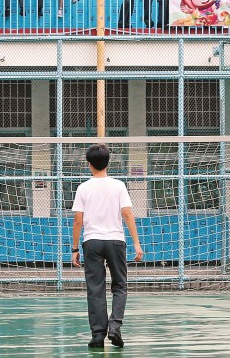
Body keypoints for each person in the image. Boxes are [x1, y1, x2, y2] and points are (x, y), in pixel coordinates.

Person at [71, 143, 144, 349]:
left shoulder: (83, 188)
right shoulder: (119, 185)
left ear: (89, 164)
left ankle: (97, 335)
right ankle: (115, 327)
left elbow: (78, 220)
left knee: (95, 288)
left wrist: (75, 248)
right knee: (120, 285)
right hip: (115, 241)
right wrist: (137, 244)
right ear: (108, 163)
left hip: (92, 242)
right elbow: (128, 213)